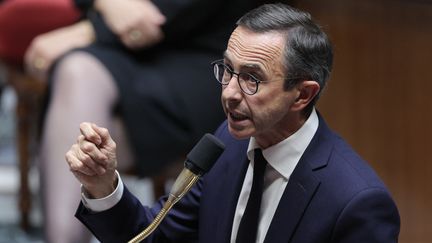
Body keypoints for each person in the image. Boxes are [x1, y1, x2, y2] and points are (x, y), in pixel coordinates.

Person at [66, 3, 401, 243]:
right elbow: (155, 235)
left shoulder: (355, 203)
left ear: (302, 95)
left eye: (251, 79)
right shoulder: (227, 143)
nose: (229, 93)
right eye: (228, 70)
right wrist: (103, 184)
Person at [24, 0, 263, 242]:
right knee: (77, 74)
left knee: (80, 100)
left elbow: (167, 14)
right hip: (123, 47)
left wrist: (90, 30)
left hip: (206, 52)